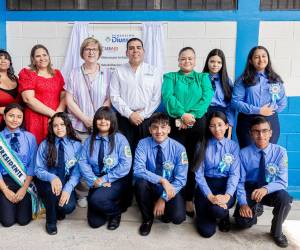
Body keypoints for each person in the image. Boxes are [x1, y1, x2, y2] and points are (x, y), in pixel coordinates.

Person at [162, 47, 213, 217]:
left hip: (196, 125)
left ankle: (189, 198)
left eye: (190, 59)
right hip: (176, 125)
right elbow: (168, 97)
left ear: (195, 60)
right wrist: (182, 114)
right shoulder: (171, 77)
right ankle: (174, 195)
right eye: (183, 58)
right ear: (178, 60)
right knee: (176, 161)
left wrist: (190, 116)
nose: (187, 61)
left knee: (192, 162)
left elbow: (206, 98)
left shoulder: (203, 78)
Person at [64, 37, 111, 208]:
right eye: (87, 49)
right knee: (81, 160)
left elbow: (109, 98)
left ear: (99, 53)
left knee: (100, 159)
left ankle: (99, 190)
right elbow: (69, 100)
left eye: (94, 49)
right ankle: (82, 193)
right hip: (78, 125)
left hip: (101, 125)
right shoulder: (74, 73)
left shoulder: (107, 73)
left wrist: (97, 119)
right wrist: (85, 118)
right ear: (82, 52)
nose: (91, 52)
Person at [234, 116, 292, 248]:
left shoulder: (280, 152)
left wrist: (266, 189)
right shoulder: (243, 154)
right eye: (256, 131)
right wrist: (243, 203)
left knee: (285, 199)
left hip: (270, 189)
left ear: (271, 133)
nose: (261, 135)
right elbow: (240, 182)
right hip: (250, 189)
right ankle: (254, 208)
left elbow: (283, 181)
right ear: (250, 133)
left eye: (265, 131)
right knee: (242, 222)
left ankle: (276, 232)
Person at [134, 112, 188, 236]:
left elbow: (181, 180)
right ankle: (147, 219)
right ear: (150, 129)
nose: (159, 131)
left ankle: (161, 209)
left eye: (163, 127)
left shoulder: (179, 149)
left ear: (169, 129)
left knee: (178, 217)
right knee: (140, 183)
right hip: (150, 186)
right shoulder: (143, 144)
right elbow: (138, 169)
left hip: (169, 189)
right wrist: (162, 180)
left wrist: (163, 199)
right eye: (155, 127)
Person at [79, 107, 132, 230]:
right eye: (99, 118)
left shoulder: (120, 139)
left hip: (115, 180)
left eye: (107, 119)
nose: (103, 121)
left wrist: (105, 179)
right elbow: (82, 162)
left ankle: (116, 212)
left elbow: (125, 165)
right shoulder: (89, 140)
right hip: (96, 181)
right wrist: (94, 180)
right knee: (94, 223)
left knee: (96, 200)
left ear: (112, 121)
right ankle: (109, 204)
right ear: (95, 121)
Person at [110, 37, 162, 151]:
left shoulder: (154, 71)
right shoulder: (118, 71)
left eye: (138, 47)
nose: (135, 50)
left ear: (143, 51)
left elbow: (157, 97)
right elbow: (114, 96)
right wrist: (130, 114)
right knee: (125, 151)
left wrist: (142, 115)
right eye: (131, 48)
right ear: (127, 52)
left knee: (146, 151)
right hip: (124, 118)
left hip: (147, 119)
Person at [194, 111, 240, 238]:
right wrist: (209, 196)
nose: (217, 129)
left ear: (226, 126)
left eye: (220, 125)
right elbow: (199, 175)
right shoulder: (202, 145)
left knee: (218, 210)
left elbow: (234, 174)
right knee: (207, 232)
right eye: (212, 126)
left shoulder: (233, 146)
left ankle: (222, 214)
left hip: (224, 185)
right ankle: (210, 211)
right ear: (208, 128)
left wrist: (227, 195)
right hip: (206, 186)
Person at [35, 112, 82, 235]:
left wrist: (68, 189)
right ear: (52, 128)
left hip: (66, 181)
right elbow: (38, 169)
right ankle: (51, 221)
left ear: (68, 125)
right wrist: (52, 177)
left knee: (67, 207)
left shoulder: (76, 145)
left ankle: (59, 206)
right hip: (47, 180)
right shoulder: (45, 144)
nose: (59, 128)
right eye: (55, 125)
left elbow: (77, 172)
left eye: (62, 124)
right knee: (52, 192)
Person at [232, 46, 287, 148]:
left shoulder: (276, 80)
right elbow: (235, 102)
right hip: (247, 121)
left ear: (268, 58)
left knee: (268, 155)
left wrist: (269, 112)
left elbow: (282, 102)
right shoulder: (242, 80)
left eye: (263, 56)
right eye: (257, 57)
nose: (261, 59)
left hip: (270, 120)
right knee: (248, 155)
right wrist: (259, 110)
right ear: (250, 61)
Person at [19, 44, 66, 144]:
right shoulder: (27, 73)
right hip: (36, 118)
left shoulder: (57, 73)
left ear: (49, 57)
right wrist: (53, 114)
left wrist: (57, 115)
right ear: (33, 59)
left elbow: (64, 96)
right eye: (38, 56)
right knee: (36, 148)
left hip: (56, 118)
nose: (42, 58)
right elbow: (28, 99)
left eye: (44, 55)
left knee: (56, 149)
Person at [0, 103, 38, 227]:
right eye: (11, 116)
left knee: (23, 220)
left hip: (24, 180)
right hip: (3, 182)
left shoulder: (30, 138)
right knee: (7, 221)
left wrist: (24, 188)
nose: (15, 120)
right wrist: (5, 190)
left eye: (19, 117)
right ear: (4, 117)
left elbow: (32, 165)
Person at [202, 49, 235, 138]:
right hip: (204, 114)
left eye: (219, 62)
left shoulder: (227, 80)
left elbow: (230, 105)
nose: (215, 65)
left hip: (222, 116)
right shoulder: (200, 79)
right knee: (205, 145)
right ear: (207, 62)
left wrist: (230, 125)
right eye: (212, 61)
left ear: (222, 64)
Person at [0, 50, 21, 128]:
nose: (3, 60)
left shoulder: (15, 78)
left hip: (17, 122)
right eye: (0, 58)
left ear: (10, 63)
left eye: (6, 58)